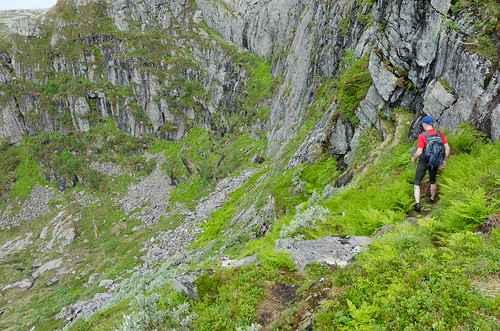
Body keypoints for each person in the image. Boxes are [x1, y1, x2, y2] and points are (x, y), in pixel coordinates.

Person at [411, 115, 450, 212]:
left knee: (417, 183)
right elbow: (447, 148)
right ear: (432, 123)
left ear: (424, 124)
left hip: (424, 161)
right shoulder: (439, 133)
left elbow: (419, 152)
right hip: (435, 161)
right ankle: (432, 200)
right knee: (433, 180)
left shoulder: (423, 135)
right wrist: (443, 161)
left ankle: (417, 204)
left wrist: (414, 158)